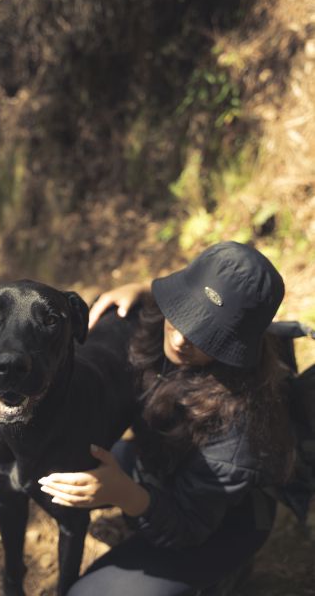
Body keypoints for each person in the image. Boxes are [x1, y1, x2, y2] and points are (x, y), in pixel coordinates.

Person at [38, 241, 296, 596]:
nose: (180, 338)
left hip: (218, 521)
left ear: (235, 348)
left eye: (207, 335)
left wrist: (125, 493)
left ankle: (225, 574)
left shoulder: (240, 427)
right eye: (182, 311)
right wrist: (143, 290)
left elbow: (189, 524)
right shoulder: (155, 326)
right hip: (160, 464)